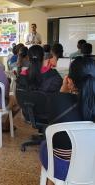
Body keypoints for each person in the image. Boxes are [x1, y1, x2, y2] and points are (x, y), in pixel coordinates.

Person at [40, 56, 95, 185]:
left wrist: (63, 90)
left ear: (69, 80)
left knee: (44, 145)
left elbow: (53, 120)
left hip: (62, 168)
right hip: (92, 167)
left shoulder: (56, 100)